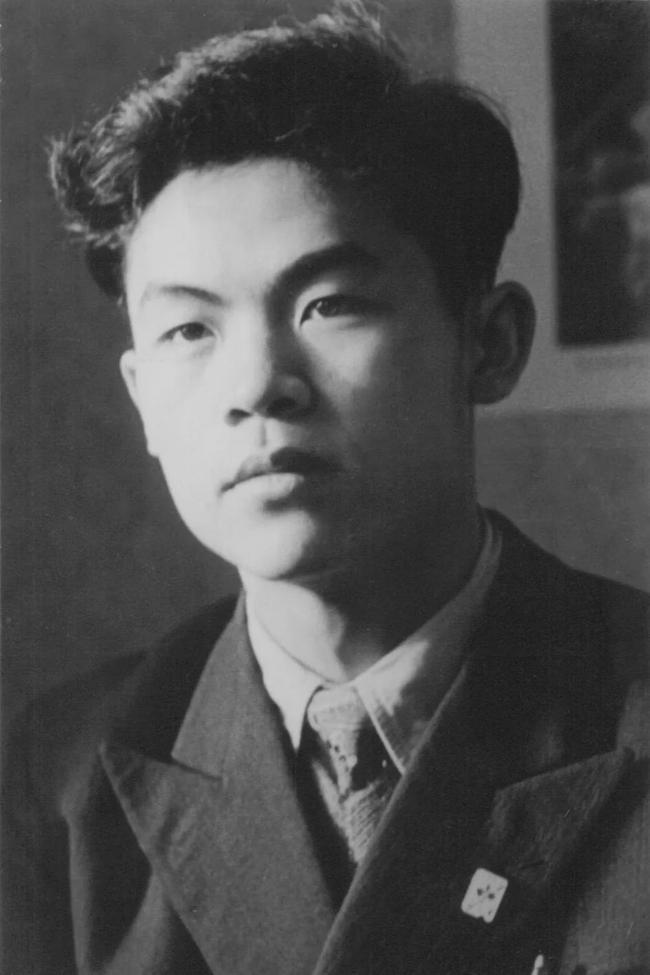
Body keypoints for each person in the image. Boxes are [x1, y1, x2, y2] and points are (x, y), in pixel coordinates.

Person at [3, 9, 648, 975]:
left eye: (328, 304)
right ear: (142, 401)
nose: (258, 385)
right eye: (189, 330)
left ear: (489, 342)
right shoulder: (63, 774)